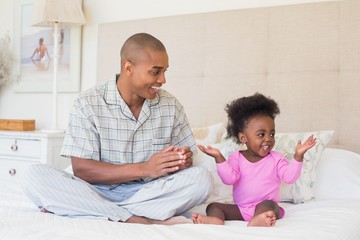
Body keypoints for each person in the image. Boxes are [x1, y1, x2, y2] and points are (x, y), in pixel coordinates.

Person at [22, 33, 213, 225]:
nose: (163, 79)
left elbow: (185, 165)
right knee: (33, 176)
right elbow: (82, 170)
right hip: (94, 190)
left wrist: (181, 161)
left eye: (165, 71)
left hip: (148, 192)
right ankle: (133, 217)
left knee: (202, 180)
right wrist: (145, 168)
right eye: (155, 72)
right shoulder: (87, 103)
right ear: (128, 68)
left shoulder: (171, 106)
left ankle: (93, 210)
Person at [192, 93, 317, 227]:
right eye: (261, 134)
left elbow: (289, 178)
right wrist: (219, 158)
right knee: (213, 207)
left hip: (266, 207)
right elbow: (229, 179)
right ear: (243, 138)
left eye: (272, 134)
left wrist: (298, 156)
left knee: (270, 206)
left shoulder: (276, 158)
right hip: (241, 209)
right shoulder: (236, 158)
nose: (268, 138)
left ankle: (259, 219)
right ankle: (216, 220)